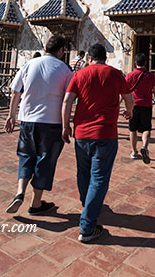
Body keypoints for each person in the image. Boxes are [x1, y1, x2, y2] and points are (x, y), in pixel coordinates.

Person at [61, 43, 133, 243]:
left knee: (83, 172)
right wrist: (130, 111)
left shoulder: (80, 75)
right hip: (106, 133)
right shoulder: (116, 74)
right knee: (99, 177)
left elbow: (67, 101)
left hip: (82, 133)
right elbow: (129, 97)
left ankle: (88, 205)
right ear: (105, 58)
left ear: (90, 59)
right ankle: (88, 226)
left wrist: (64, 126)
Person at [4, 36, 72, 215]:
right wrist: (66, 124)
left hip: (27, 120)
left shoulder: (29, 64)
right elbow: (68, 100)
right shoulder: (64, 69)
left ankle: (19, 193)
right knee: (45, 160)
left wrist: (11, 116)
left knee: (26, 155)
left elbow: (15, 91)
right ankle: (36, 203)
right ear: (61, 50)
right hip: (52, 122)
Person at [127, 53, 155, 164]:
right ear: (145, 63)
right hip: (146, 105)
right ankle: (144, 146)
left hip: (134, 105)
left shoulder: (130, 75)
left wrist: (117, 104)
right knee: (146, 128)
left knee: (133, 129)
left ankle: (133, 151)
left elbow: (125, 92)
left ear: (135, 63)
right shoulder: (151, 76)